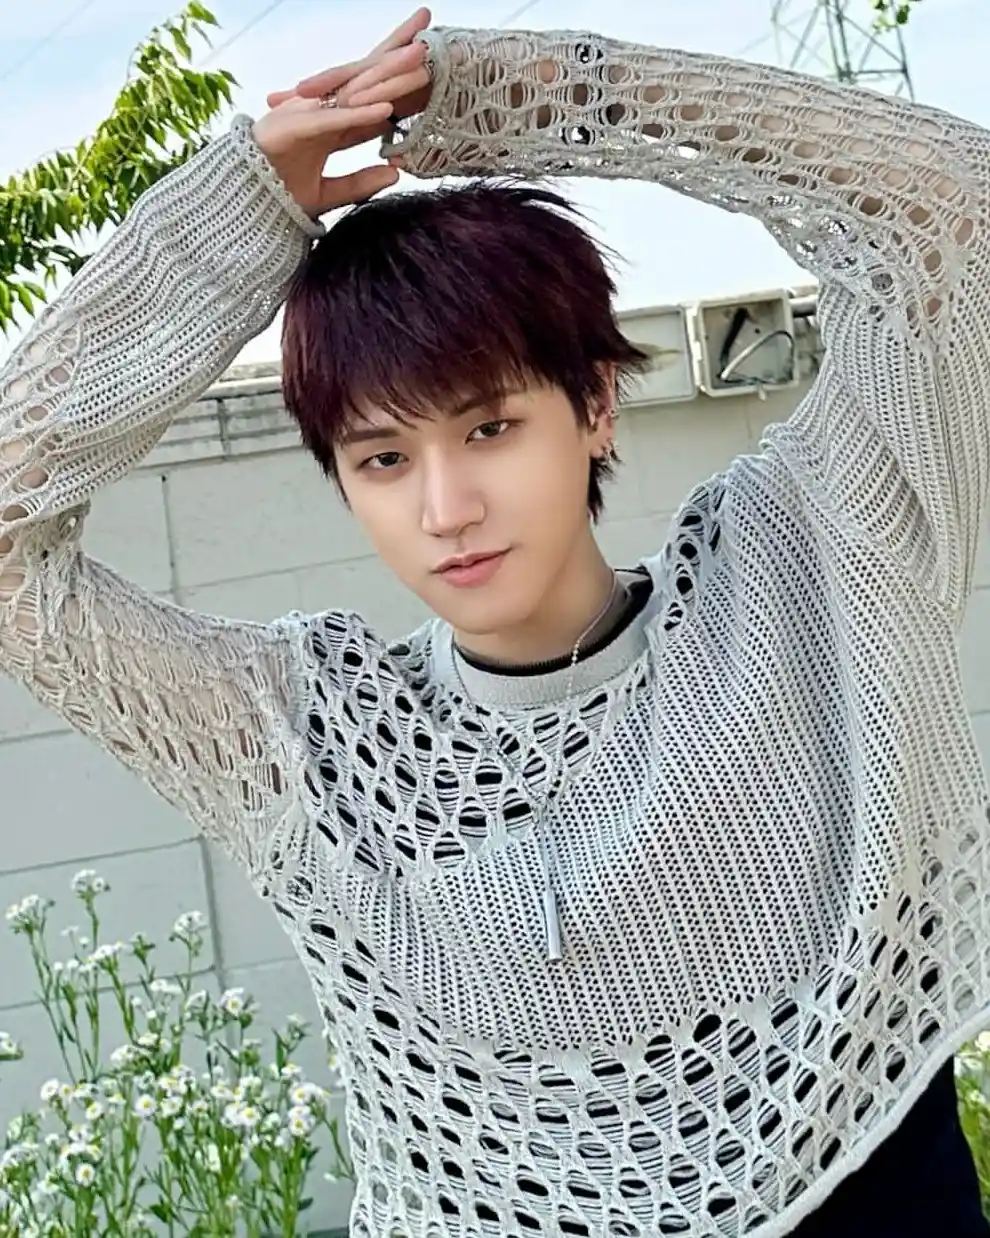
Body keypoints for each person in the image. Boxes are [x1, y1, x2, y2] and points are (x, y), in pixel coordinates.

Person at [1, 5, 988, 1235]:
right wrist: (234, 218)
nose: (446, 507)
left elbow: (951, 214)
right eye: (381, 458)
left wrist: (546, 97)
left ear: (596, 404)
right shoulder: (311, 741)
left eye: (490, 426)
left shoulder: (807, 571)